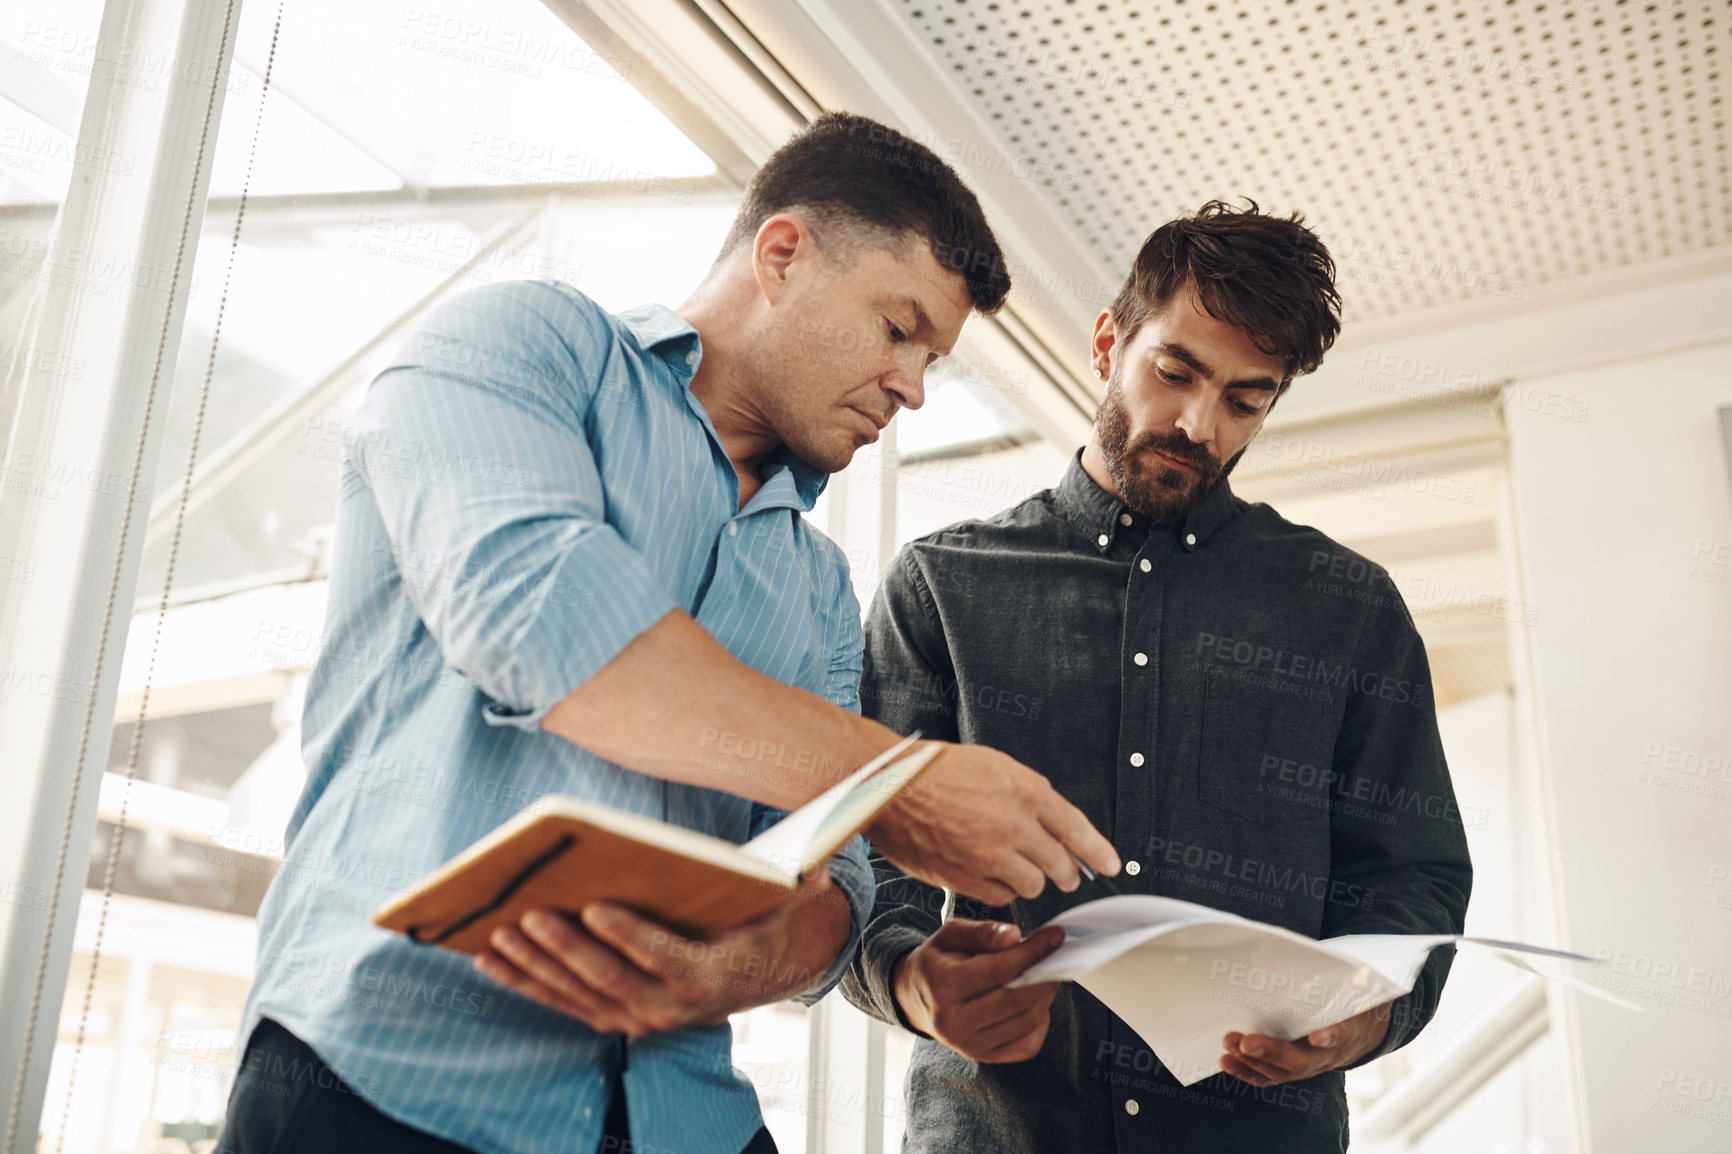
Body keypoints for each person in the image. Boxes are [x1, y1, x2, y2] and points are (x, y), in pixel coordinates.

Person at [217, 112, 1119, 1154]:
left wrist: (728, 967)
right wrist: (902, 778)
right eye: (896, 327)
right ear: (781, 256)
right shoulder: (521, 344)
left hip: (684, 1114)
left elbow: (838, 899)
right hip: (388, 1081)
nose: (912, 386)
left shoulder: (819, 581)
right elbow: (546, 622)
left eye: (931, 357)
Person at [841, 201, 1474, 1152]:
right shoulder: (942, 586)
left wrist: (1368, 1015)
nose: (1196, 423)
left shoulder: (1350, 608)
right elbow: (862, 858)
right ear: (1108, 342)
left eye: (1246, 400)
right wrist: (909, 982)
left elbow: (1411, 874)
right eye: (1174, 371)